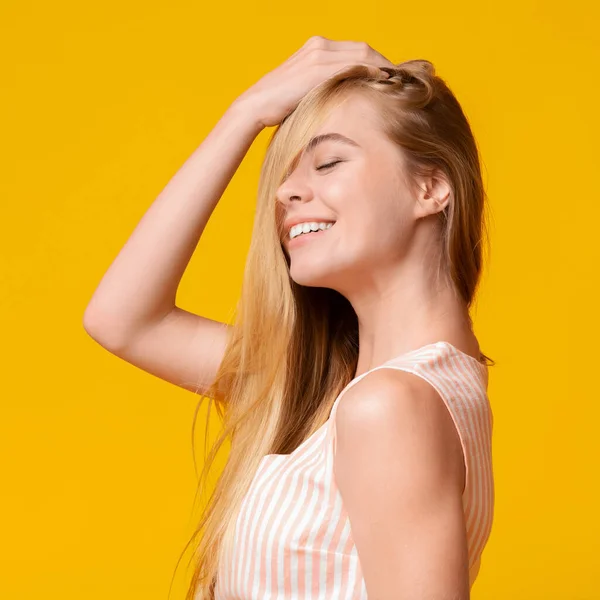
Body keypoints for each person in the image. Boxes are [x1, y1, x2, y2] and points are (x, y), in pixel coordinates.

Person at [84, 36, 495, 600]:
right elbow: (123, 320)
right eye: (286, 174)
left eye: (328, 162)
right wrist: (245, 114)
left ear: (430, 186)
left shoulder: (390, 406)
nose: (286, 193)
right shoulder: (331, 389)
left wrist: (245, 112)